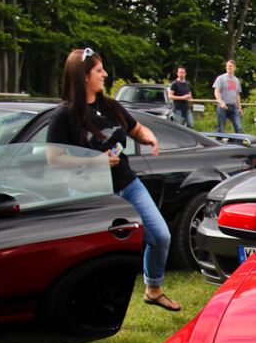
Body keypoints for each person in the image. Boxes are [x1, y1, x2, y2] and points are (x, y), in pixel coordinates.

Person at [46, 48, 180, 312]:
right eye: (99, 70)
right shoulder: (65, 114)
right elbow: (54, 158)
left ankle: (153, 289)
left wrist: (149, 136)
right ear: (83, 76)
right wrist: (94, 161)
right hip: (91, 194)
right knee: (93, 255)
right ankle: (86, 302)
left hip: (127, 185)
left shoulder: (110, 106)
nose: (105, 74)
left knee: (160, 236)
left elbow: (135, 129)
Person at [214, 59, 242, 133]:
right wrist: (221, 102)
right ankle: (218, 143)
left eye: (230, 66)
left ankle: (239, 143)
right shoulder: (221, 78)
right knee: (221, 127)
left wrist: (239, 107)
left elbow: (237, 94)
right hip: (223, 106)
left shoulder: (236, 80)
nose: (228, 67)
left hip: (233, 106)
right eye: (227, 66)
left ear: (234, 68)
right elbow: (216, 91)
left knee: (238, 127)